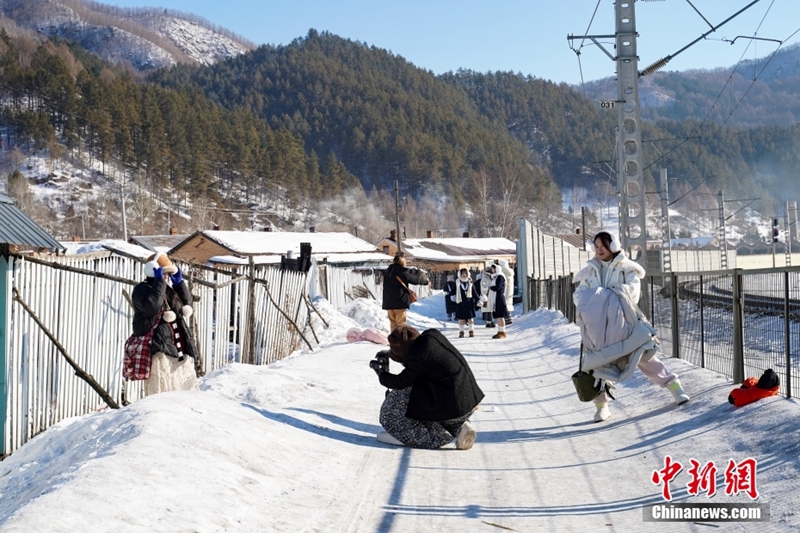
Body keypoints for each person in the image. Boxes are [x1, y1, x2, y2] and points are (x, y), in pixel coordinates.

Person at [573, 231, 689, 423]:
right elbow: (579, 296)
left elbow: (632, 293)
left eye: (604, 246)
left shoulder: (627, 269)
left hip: (625, 323)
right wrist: (603, 299)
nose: (599, 250)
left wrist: (601, 297)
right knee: (597, 365)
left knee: (642, 356)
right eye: (597, 246)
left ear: (614, 245)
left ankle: (675, 387)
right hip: (597, 327)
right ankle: (601, 407)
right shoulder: (590, 271)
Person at [371, 325, 484, 449]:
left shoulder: (418, 358)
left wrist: (382, 375)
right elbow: (416, 358)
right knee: (420, 395)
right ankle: (460, 427)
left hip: (452, 407)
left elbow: (400, 382)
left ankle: (436, 437)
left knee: (393, 408)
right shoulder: (432, 336)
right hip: (466, 403)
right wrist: (391, 354)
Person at [131, 252, 199, 395]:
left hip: (175, 344)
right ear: (152, 270)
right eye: (164, 272)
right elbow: (152, 306)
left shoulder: (165, 288)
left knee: (180, 387)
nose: (166, 276)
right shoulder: (141, 289)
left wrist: (179, 284)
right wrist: (159, 281)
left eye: (168, 273)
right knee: (163, 388)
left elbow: (186, 305)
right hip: (158, 347)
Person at [382, 252, 429, 331]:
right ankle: (401, 342)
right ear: (403, 262)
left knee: (393, 324)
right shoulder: (401, 272)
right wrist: (426, 282)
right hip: (399, 302)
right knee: (401, 325)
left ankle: (394, 342)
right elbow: (414, 280)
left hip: (388, 302)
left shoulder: (387, 272)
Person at [453, 268, 482, 338]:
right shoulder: (457, 282)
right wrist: (451, 296)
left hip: (469, 302)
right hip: (460, 302)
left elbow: (474, 292)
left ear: (467, 274)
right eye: (462, 273)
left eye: (465, 273)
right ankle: (461, 332)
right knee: (461, 318)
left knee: (470, 318)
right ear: (460, 274)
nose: (464, 275)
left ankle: (471, 331)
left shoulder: (470, 282)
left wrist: (478, 299)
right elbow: (454, 291)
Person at [487, 264, 508, 339]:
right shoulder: (495, 277)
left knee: (501, 315)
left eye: (493, 269)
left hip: (499, 297)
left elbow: (498, 287)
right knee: (498, 316)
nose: (492, 270)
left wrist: (491, 287)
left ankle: (503, 332)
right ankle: (499, 331)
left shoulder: (500, 276)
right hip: (495, 297)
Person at [498, 259, 515, 325]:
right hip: (509, 290)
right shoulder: (510, 272)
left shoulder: (503, 272)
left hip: (505, 290)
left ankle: (507, 319)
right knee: (507, 303)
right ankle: (508, 317)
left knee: (505, 304)